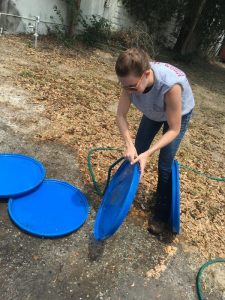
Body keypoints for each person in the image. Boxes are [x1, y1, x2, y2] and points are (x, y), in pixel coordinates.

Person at [115, 48, 195, 234]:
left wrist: (149, 154)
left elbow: (174, 129)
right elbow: (120, 115)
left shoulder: (171, 86)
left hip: (177, 114)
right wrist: (129, 144)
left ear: (146, 74)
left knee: (164, 164)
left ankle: (160, 213)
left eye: (132, 87)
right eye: (123, 86)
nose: (128, 91)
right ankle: (123, 195)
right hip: (153, 109)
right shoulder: (130, 83)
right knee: (137, 149)